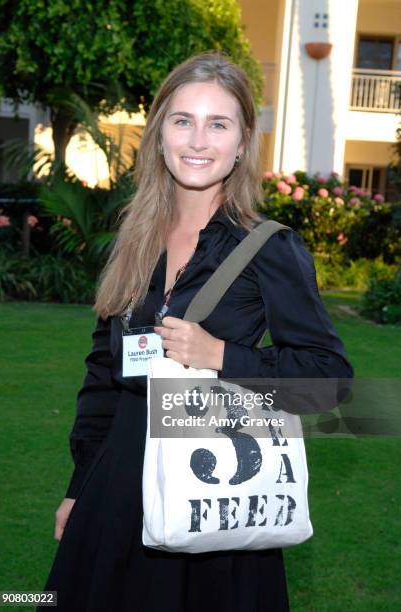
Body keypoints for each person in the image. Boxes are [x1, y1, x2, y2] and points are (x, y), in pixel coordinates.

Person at [38, 51, 354, 612]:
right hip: (114, 499)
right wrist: (76, 489)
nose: (198, 140)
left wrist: (221, 355)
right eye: (183, 120)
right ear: (160, 135)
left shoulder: (269, 248)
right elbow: (102, 382)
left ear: (242, 143)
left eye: (218, 123)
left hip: (211, 509)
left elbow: (329, 382)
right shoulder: (134, 243)